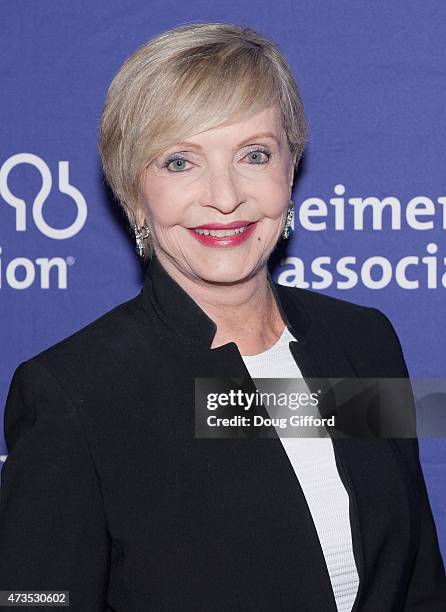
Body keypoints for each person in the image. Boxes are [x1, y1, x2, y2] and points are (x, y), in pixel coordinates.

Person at [0, 21, 445, 612]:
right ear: (135, 193)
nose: (226, 195)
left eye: (253, 155)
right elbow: (36, 600)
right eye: (180, 162)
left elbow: (418, 585)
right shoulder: (75, 393)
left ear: (290, 170)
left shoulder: (364, 339)